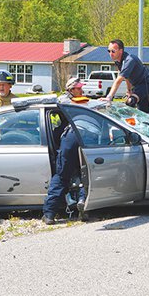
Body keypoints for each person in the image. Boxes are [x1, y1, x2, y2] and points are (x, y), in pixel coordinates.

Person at [42, 81, 87, 225]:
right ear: (71, 89)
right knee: (65, 176)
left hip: (75, 141)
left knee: (80, 175)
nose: (81, 91)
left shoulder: (82, 101)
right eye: (78, 89)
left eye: (81, 88)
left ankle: (81, 205)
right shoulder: (64, 100)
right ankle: (50, 213)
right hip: (77, 140)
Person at [103, 39, 149, 113]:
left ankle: (126, 122)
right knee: (143, 111)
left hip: (146, 83)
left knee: (131, 101)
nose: (110, 54)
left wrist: (109, 97)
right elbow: (126, 76)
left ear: (120, 51)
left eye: (113, 51)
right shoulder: (118, 62)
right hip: (137, 85)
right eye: (109, 51)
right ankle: (145, 122)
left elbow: (119, 80)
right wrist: (129, 90)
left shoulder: (129, 60)